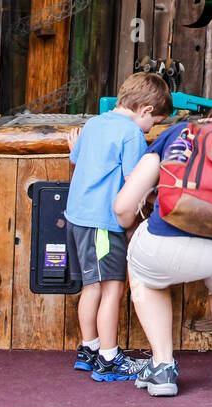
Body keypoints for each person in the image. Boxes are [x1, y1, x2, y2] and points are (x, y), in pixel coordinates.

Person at [112, 103, 212, 398]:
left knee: (142, 270)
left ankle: (163, 366)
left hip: (171, 242)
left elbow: (123, 208)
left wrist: (132, 220)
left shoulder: (176, 134)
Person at [65, 71, 172, 382]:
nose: (151, 129)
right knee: (113, 288)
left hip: (77, 219)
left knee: (91, 287)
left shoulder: (95, 123)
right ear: (146, 111)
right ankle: (109, 359)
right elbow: (134, 181)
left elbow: (78, 156)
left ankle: (89, 348)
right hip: (103, 223)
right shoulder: (132, 134)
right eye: (154, 123)